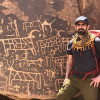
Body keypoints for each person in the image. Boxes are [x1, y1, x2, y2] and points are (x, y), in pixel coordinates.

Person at [56, 16, 100, 100]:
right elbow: (69, 61)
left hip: (90, 78)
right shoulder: (72, 43)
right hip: (74, 77)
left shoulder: (95, 41)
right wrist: (66, 77)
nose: (80, 27)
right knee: (60, 96)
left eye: (83, 25)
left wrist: (99, 77)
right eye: (78, 25)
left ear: (88, 27)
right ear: (75, 27)